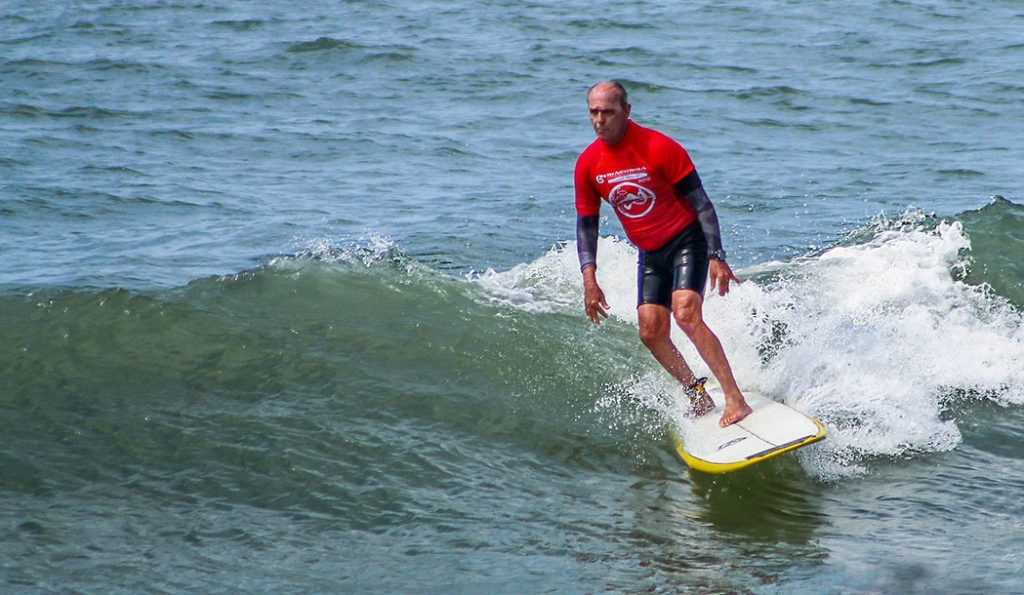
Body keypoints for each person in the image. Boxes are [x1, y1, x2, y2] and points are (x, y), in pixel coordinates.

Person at [574, 80, 752, 427]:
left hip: (688, 240)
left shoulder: (658, 147)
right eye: (593, 112)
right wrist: (589, 279)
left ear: (626, 111)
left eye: (607, 112)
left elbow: (702, 205)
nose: (599, 120)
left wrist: (716, 254)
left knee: (686, 313)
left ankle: (735, 399)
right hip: (651, 252)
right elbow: (586, 225)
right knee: (651, 332)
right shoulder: (588, 165)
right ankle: (698, 396)